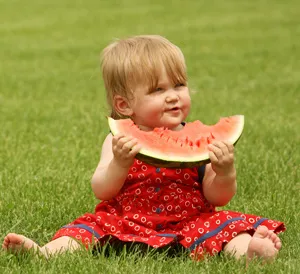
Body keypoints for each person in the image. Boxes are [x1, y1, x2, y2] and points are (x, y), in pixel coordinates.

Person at [2, 35, 285, 263]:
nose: (173, 96)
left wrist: (224, 172)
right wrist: (119, 163)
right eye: (157, 90)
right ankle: (45, 252)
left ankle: (249, 252)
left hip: (190, 220)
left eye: (179, 85)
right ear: (124, 105)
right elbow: (101, 189)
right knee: (86, 229)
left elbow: (218, 196)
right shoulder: (118, 140)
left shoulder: (200, 140)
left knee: (224, 227)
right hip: (126, 220)